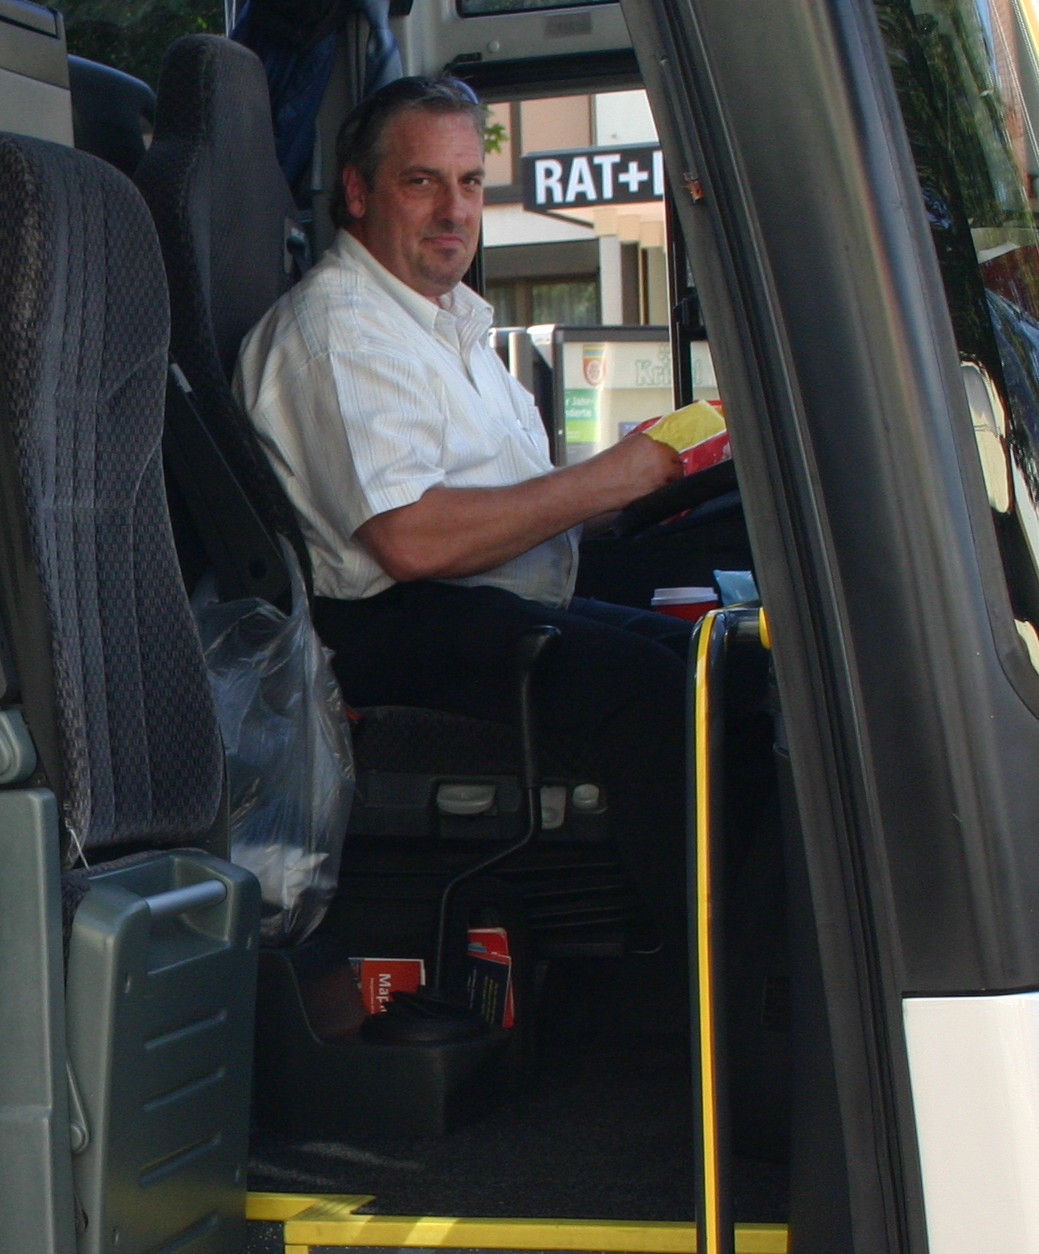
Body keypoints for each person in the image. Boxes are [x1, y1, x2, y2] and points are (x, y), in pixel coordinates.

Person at [235, 72, 698, 926]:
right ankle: (704, 980)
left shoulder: (441, 323)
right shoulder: (340, 331)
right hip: (392, 628)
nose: (455, 210)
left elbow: (509, 506)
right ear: (358, 191)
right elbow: (412, 540)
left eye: (471, 183)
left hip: (478, 597)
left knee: (714, 655)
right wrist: (608, 478)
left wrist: (652, 480)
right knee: (658, 692)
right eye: (422, 183)